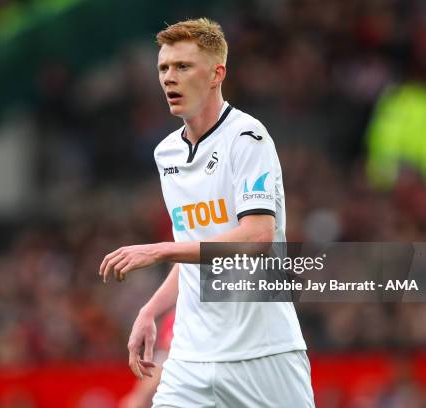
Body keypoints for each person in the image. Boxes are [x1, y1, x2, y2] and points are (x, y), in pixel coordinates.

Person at [100, 18, 314, 407]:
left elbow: (257, 238)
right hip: (190, 358)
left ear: (217, 73)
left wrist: (158, 250)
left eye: (182, 67)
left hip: (263, 354)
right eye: (163, 68)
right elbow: (197, 251)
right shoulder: (166, 153)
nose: (169, 77)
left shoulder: (248, 138)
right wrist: (151, 309)